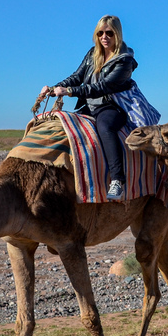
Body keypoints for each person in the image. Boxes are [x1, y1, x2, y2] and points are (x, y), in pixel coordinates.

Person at [44, 15, 138, 200]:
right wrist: (54, 88)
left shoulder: (124, 60)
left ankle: (117, 180)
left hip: (112, 106)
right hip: (91, 105)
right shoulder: (92, 54)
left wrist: (69, 91)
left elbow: (103, 87)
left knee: (105, 127)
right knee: (66, 125)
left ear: (117, 34)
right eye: (101, 33)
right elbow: (76, 76)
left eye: (109, 33)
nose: (105, 37)